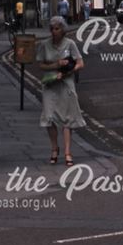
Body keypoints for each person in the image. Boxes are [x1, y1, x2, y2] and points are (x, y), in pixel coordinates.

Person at [37, 16, 85, 166]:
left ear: (63, 30)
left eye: (57, 28)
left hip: (65, 83)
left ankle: (67, 152)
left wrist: (69, 71)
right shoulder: (44, 45)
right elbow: (41, 65)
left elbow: (80, 63)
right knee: (49, 117)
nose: (53, 31)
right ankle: (54, 148)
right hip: (50, 84)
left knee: (67, 119)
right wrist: (55, 65)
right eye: (52, 29)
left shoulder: (70, 44)